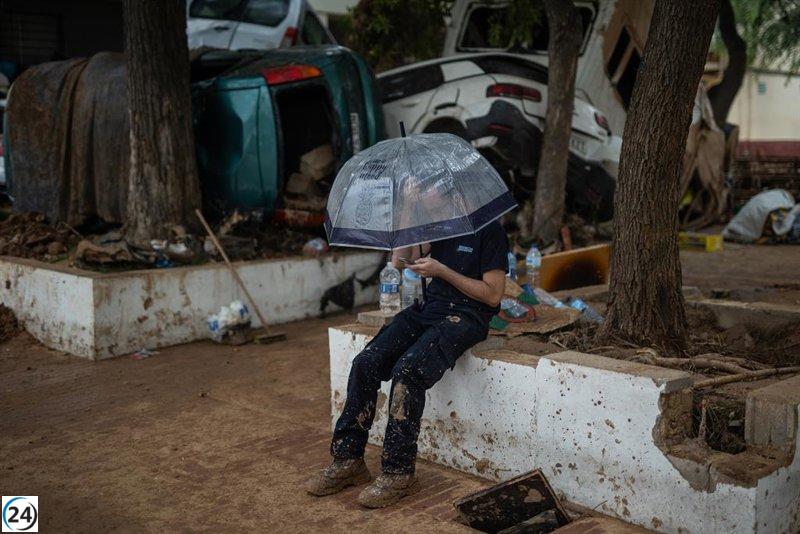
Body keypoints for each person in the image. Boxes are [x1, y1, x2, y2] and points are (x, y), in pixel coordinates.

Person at [305, 219, 509, 508]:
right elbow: (398, 262)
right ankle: (347, 460)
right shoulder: (438, 223)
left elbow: (493, 294)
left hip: (467, 316)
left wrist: (442, 271)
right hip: (429, 309)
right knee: (366, 362)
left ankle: (398, 472)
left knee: (408, 370)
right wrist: (408, 219)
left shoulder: (489, 230)